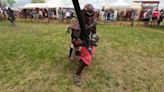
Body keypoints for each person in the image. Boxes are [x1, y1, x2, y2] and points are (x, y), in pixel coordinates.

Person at [68, 4, 99, 86]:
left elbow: (94, 33)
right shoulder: (77, 23)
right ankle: (77, 75)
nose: (89, 17)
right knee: (84, 55)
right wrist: (83, 43)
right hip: (79, 40)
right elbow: (74, 40)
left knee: (88, 53)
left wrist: (93, 39)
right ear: (83, 13)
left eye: (91, 14)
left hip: (86, 40)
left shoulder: (94, 21)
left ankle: (76, 54)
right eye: (87, 15)